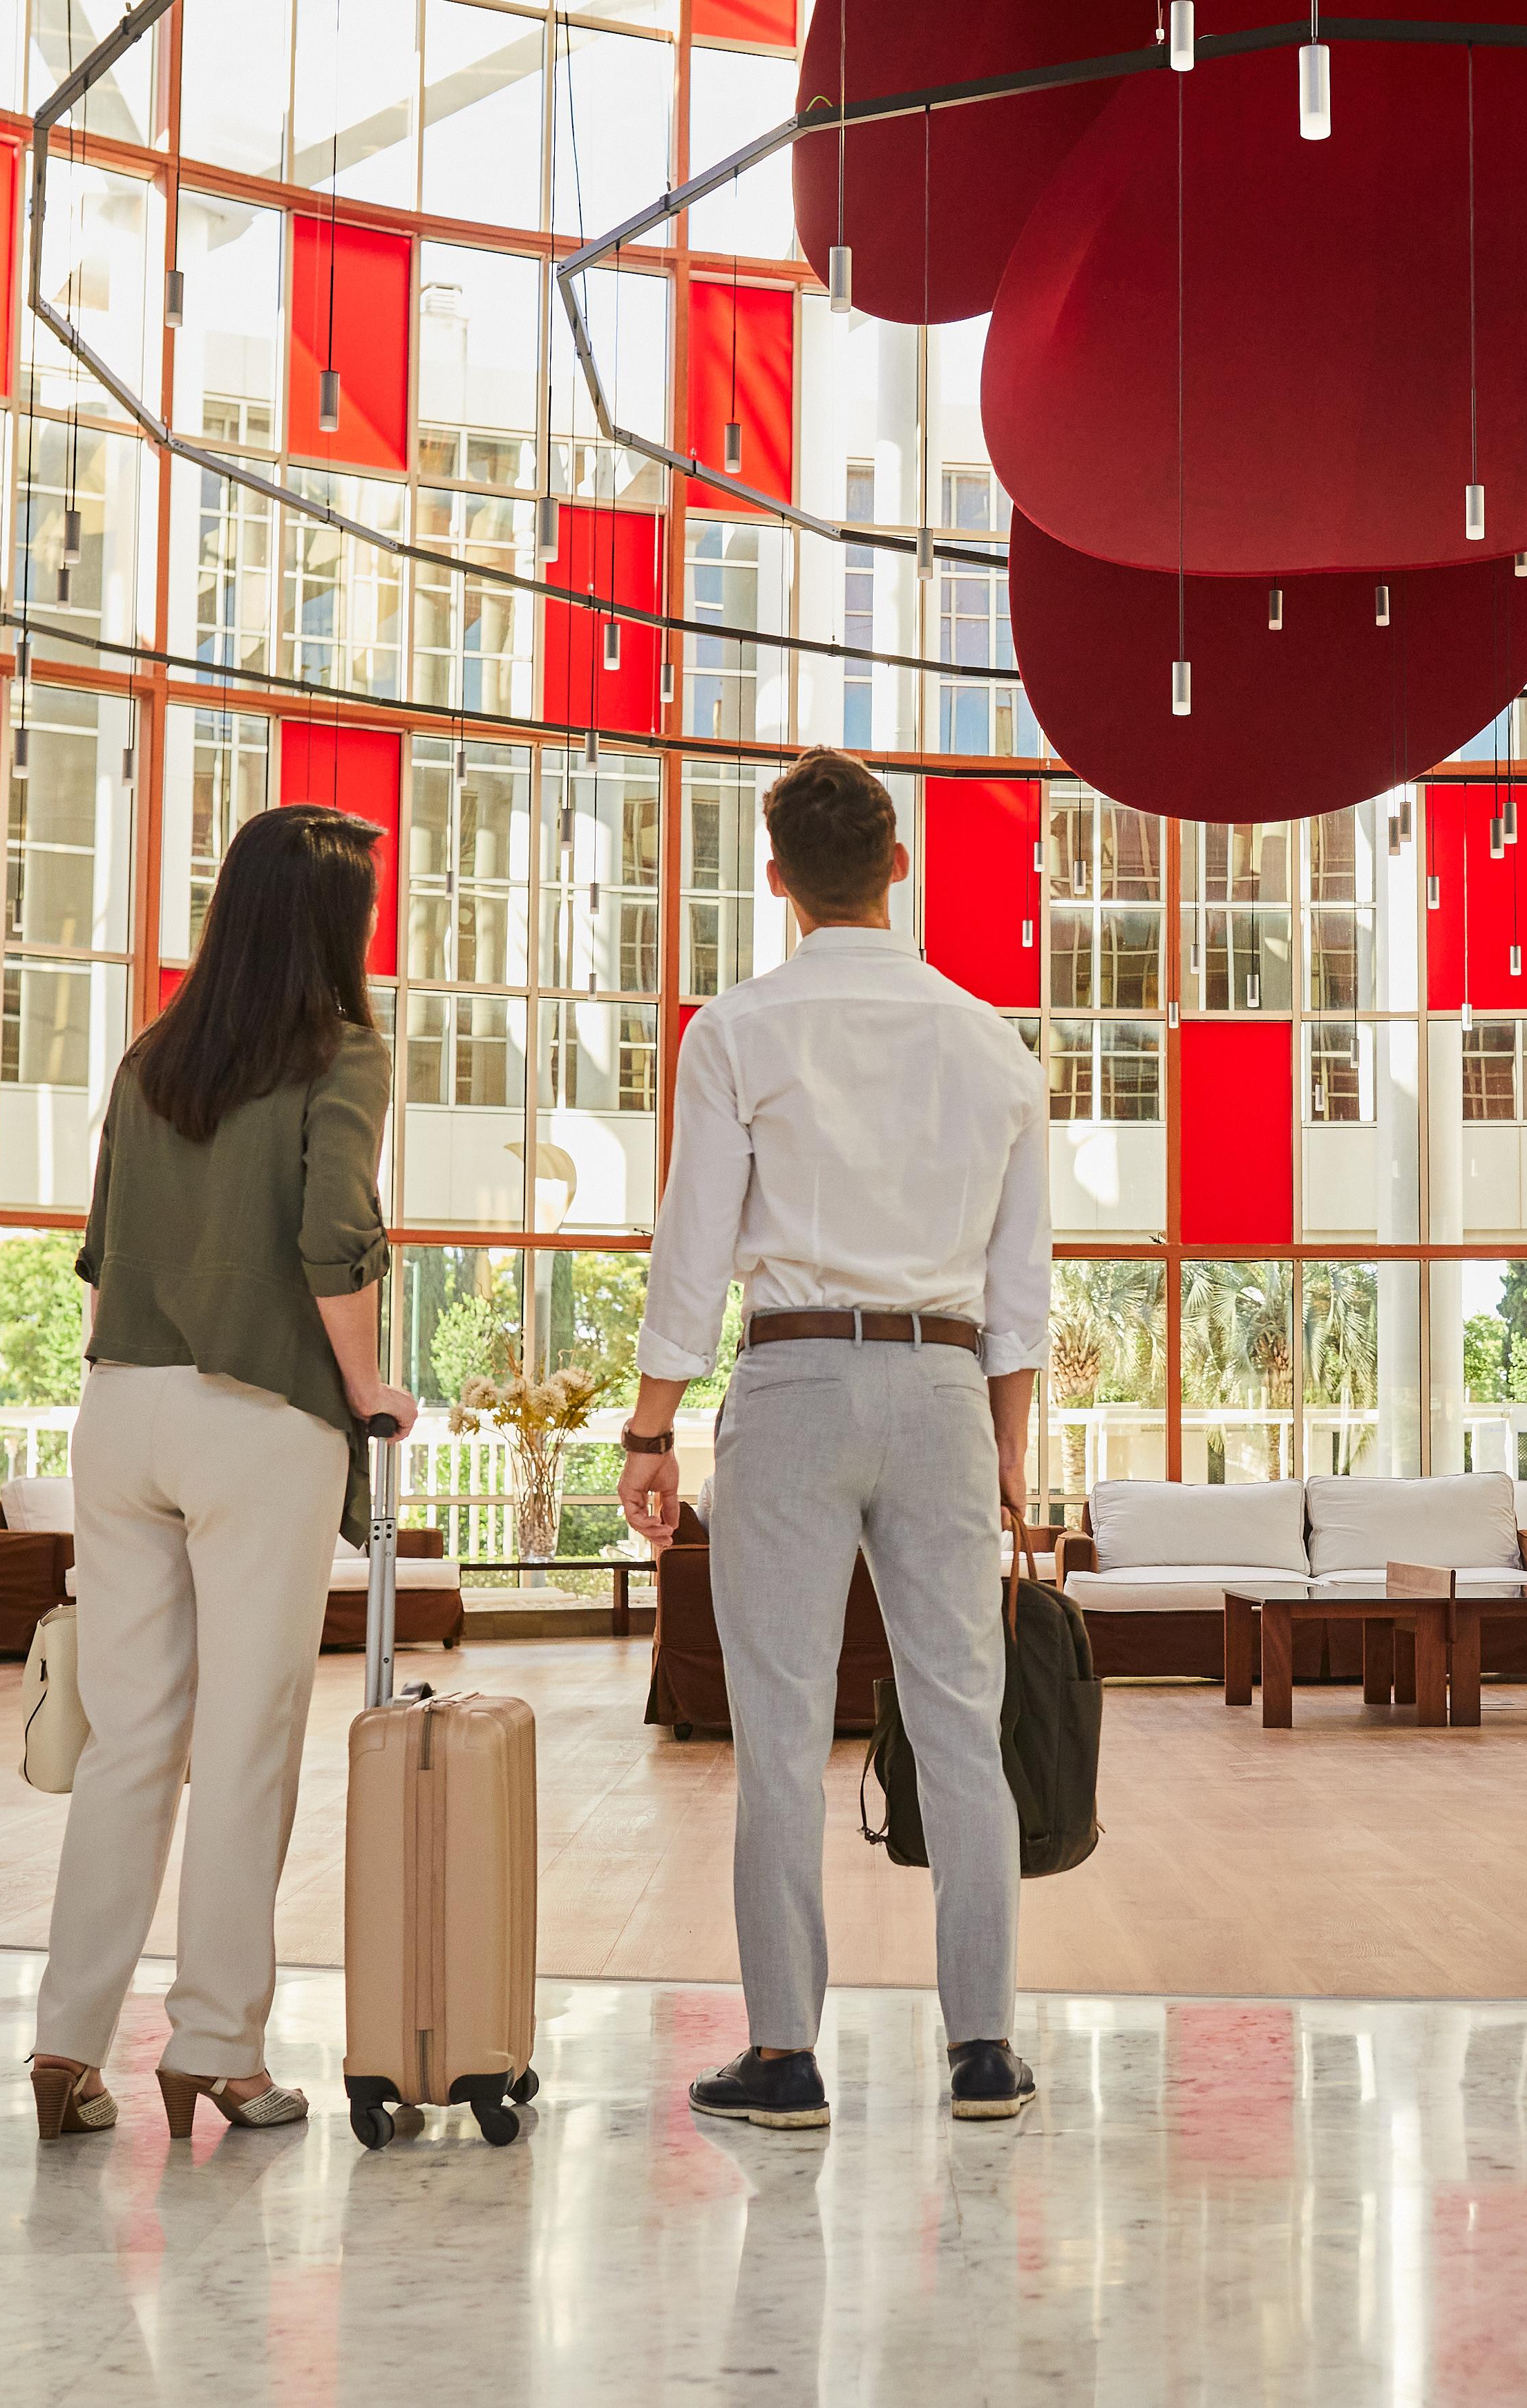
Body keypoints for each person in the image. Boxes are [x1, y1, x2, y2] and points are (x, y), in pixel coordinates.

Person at [618, 750, 1051, 2130]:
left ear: (776, 882)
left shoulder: (737, 1030)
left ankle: (788, 2055)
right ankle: (982, 2048)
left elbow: (693, 1245)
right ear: (900, 867)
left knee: (782, 1736)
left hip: (796, 1385)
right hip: (941, 1393)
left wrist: (652, 1424)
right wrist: (1010, 1460)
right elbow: (1020, 1289)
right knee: (962, 1731)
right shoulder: (994, 1043)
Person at [28, 805, 422, 2144]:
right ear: (334, 924)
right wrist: (371, 1393)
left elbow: (100, 1254)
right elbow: (333, 1234)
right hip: (260, 1421)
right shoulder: (345, 1054)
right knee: (246, 1742)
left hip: (120, 1410)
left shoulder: (152, 1057)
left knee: (128, 1740)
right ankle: (217, 2047)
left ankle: (65, 2040)